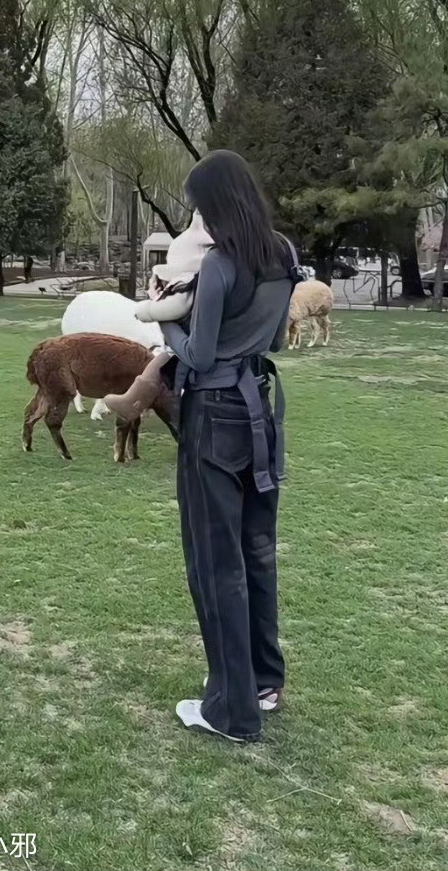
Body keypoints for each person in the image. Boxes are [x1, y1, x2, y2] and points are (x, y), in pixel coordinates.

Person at [160, 149, 299, 743]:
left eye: (201, 208)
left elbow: (198, 353)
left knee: (218, 563)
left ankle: (230, 711)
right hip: (258, 413)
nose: (201, 221)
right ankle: (264, 683)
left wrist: (160, 316)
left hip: (212, 418)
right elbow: (274, 340)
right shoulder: (284, 253)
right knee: (257, 553)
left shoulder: (219, 265)